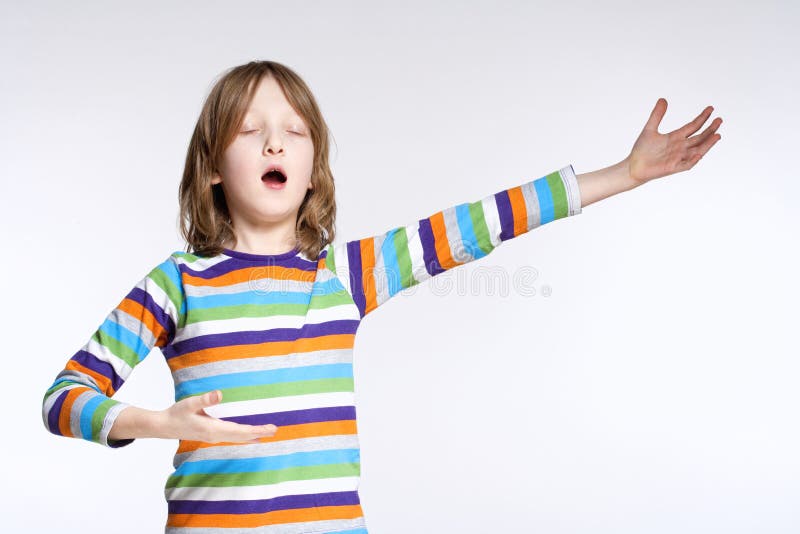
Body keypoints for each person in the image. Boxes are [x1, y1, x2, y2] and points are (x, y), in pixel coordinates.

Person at [41, 60, 722, 534]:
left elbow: (478, 224)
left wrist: (623, 174)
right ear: (213, 167)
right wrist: (158, 423)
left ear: (312, 172)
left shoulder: (346, 274)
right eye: (249, 129)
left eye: (295, 131)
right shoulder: (175, 284)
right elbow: (63, 398)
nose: (275, 139)